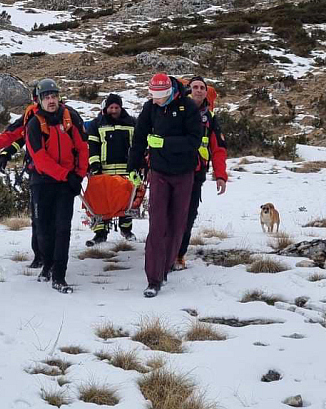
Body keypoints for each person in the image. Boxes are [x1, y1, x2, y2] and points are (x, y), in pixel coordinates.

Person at [128, 73, 202, 298]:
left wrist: (165, 143)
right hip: (158, 172)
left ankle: (168, 263)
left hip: (183, 173)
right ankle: (154, 278)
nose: (156, 99)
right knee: (157, 224)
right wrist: (133, 166)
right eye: (153, 95)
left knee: (177, 223)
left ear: (170, 91)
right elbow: (139, 137)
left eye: (160, 96)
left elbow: (194, 140)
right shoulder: (150, 107)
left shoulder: (187, 107)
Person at [25, 78, 88, 294]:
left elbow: (82, 148)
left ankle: (59, 275)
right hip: (42, 182)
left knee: (63, 229)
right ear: (39, 100)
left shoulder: (71, 118)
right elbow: (40, 158)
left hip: (67, 183)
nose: (51, 101)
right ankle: (48, 264)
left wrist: (78, 175)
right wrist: (66, 176)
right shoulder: (34, 124)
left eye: (54, 96)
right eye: (47, 97)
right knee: (43, 229)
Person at [174, 76, 227, 270]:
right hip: (172, 169)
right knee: (168, 214)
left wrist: (220, 175)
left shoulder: (210, 118)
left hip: (196, 174)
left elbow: (218, 148)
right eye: (194, 87)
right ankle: (162, 251)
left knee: (188, 216)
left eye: (202, 88)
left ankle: (179, 254)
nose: (198, 90)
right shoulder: (175, 110)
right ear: (188, 90)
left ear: (206, 92)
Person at [0, 85, 41, 268]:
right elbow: (18, 135)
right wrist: (3, 151)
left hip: (61, 175)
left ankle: (54, 258)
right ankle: (40, 256)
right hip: (37, 173)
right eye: (40, 97)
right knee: (38, 218)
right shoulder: (30, 116)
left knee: (57, 220)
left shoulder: (65, 116)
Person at [85, 93, 137, 246]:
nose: (113, 110)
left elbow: (136, 146)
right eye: (111, 107)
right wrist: (94, 164)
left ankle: (126, 229)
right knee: (101, 202)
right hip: (103, 171)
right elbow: (92, 146)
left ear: (121, 107)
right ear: (106, 108)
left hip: (125, 170)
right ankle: (100, 232)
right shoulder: (96, 124)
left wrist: (136, 164)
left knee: (126, 202)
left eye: (116, 107)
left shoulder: (132, 123)